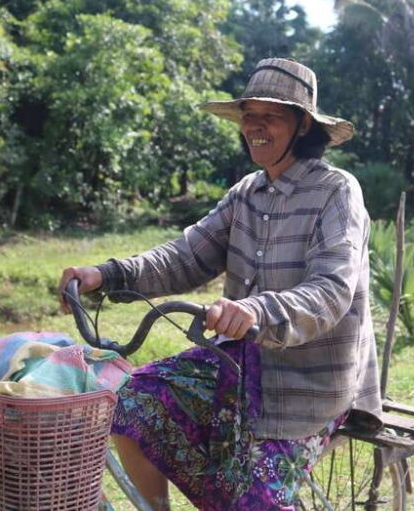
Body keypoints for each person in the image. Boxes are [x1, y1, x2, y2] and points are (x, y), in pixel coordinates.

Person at [57, 58, 382, 511]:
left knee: (252, 500)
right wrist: (107, 274)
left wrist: (257, 310)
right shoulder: (246, 193)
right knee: (128, 404)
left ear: (303, 123)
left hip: (310, 383)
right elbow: (185, 256)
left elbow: (331, 290)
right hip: (239, 365)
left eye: (271, 115)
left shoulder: (336, 191)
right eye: (249, 115)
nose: (255, 126)